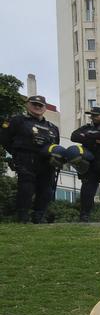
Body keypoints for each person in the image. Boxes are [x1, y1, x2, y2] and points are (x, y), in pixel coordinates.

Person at [0, 95, 59, 223]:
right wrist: (16, 153)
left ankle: (39, 217)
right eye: (34, 104)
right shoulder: (17, 121)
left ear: (45, 108)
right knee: (26, 188)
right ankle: (23, 217)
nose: (37, 107)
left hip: (47, 162)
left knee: (46, 189)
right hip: (25, 159)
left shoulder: (53, 127)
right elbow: (4, 139)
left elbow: (56, 146)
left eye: (40, 105)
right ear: (27, 105)